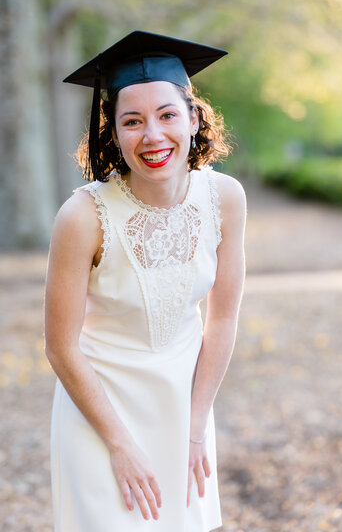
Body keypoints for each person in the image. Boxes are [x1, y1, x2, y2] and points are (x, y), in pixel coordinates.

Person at [44, 30, 247, 532]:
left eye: (167, 115)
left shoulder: (225, 198)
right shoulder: (82, 216)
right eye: (132, 121)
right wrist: (119, 444)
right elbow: (61, 347)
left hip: (186, 405)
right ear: (113, 133)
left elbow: (221, 320)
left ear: (194, 118)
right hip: (100, 413)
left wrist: (196, 426)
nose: (152, 135)